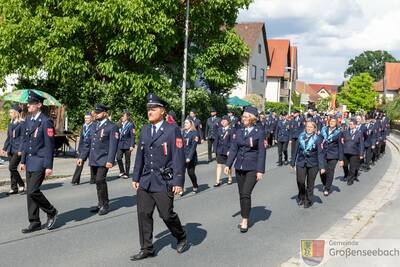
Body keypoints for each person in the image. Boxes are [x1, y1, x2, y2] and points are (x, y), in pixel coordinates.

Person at [131, 93, 188, 261]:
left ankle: (181, 236)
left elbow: (178, 156)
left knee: (166, 214)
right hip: (146, 180)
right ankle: (146, 248)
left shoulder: (172, 130)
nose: (150, 112)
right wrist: (136, 177)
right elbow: (140, 155)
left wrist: (178, 181)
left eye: (153, 109)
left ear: (162, 111)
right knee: (143, 213)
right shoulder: (145, 129)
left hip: (164, 181)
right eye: (148, 109)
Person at [19, 91, 58, 233]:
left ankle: (51, 211)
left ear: (39, 105)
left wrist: (49, 165)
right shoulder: (28, 120)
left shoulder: (46, 121)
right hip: (29, 160)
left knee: (33, 190)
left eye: (31, 103)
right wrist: (22, 160)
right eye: (28, 103)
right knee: (30, 193)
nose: (28, 105)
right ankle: (34, 221)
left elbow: (49, 145)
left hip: (41, 161)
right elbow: (25, 142)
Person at [225, 106, 267, 233]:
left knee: (245, 193)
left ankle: (245, 219)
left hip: (252, 168)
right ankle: (245, 214)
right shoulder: (238, 132)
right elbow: (233, 149)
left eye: (245, 117)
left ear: (252, 118)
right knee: (241, 194)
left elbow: (261, 152)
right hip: (240, 167)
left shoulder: (259, 132)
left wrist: (260, 170)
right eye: (243, 116)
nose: (243, 119)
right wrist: (228, 165)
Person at [78, 104, 119, 215]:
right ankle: (100, 203)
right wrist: (82, 157)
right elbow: (88, 144)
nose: (96, 114)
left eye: (98, 112)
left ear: (105, 113)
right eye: (95, 112)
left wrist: (110, 160)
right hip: (94, 158)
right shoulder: (93, 126)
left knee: (100, 180)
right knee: (97, 181)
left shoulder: (112, 126)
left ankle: (105, 204)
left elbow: (113, 145)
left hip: (104, 158)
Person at [291, 121, 325, 208]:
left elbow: (320, 153)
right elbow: (296, 150)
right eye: (307, 126)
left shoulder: (318, 139)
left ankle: (308, 200)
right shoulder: (301, 137)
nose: (309, 128)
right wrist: (292, 162)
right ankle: (302, 196)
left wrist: (322, 167)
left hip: (313, 164)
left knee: (310, 183)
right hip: (301, 162)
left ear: (314, 129)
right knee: (300, 181)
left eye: (311, 127)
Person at [1, 104, 25, 195]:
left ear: (16, 113)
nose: (9, 114)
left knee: (12, 167)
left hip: (18, 149)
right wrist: (4, 148)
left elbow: (23, 138)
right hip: (11, 149)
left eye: (11, 112)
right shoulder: (10, 123)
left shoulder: (22, 123)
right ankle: (14, 188)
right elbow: (9, 137)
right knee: (12, 169)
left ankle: (21, 184)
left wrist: (20, 149)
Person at [320, 116, 344, 196]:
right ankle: (325, 183)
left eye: (333, 121)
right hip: (323, 153)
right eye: (330, 121)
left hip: (333, 155)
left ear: (336, 123)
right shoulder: (323, 129)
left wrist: (341, 159)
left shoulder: (339, 132)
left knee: (330, 171)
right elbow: (319, 140)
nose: (331, 123)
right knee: (322, 171)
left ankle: (327, 188)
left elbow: (340, 146)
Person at [71, 112, 95, 185]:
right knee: (79, 162)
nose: (86, 119)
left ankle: (93, 179)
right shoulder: (83, 126)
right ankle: (75, 180)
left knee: (92, 163)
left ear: (91, 118)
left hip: (91, 147)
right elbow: (81, 139)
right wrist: (79, 149)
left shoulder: (94, 126)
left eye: (88, 118)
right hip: (83, 147)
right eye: (85, 118)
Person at [342, 119, 364, 186]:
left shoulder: (359, 133)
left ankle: (350, 179)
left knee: (352, 167)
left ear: (355, 125)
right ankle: (346, 174)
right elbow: (342, 140)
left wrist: (361, 154)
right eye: (350, 124)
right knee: (345, 165)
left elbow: (361, 144)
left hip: (354, 153)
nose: (350, 125)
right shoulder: (345, 132)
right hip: (345, 152)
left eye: (351, 124)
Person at [214, 115, 233, 186]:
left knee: (228, 165)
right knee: (219, 164)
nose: (223, 122)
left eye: (225, 120)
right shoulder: (219, 129)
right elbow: (216, 140)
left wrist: (230, 150)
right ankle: (217, 180)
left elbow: (232, 142)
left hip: (227, 150)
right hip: (219, 149)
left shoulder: (231, 130)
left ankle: (230, 178)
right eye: (222, 120)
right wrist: (214, 149)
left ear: (228, 122)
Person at [116, 110, 136, 179]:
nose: (122, 117)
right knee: (118, 158)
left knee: (127, 160)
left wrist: (132, 145)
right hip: (120, 144)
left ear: (127, 117)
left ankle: (126, 173)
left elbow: (133, 135)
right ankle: (122, 171)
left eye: (123, 116)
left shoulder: (131, 125)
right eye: (121, 116)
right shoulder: (119, 124)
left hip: (128, 144)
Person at [182, 118, 199, 194]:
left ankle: (195, 185)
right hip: (182, 156)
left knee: (190, 173)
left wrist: (189, 157)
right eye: (184, 123)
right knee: (181, 173)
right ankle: (180, 189)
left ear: (191, 124)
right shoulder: (182, 132)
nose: (185, 124)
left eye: (187, 123)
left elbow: (193, 147)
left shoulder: (194, 133)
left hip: (190, 157)